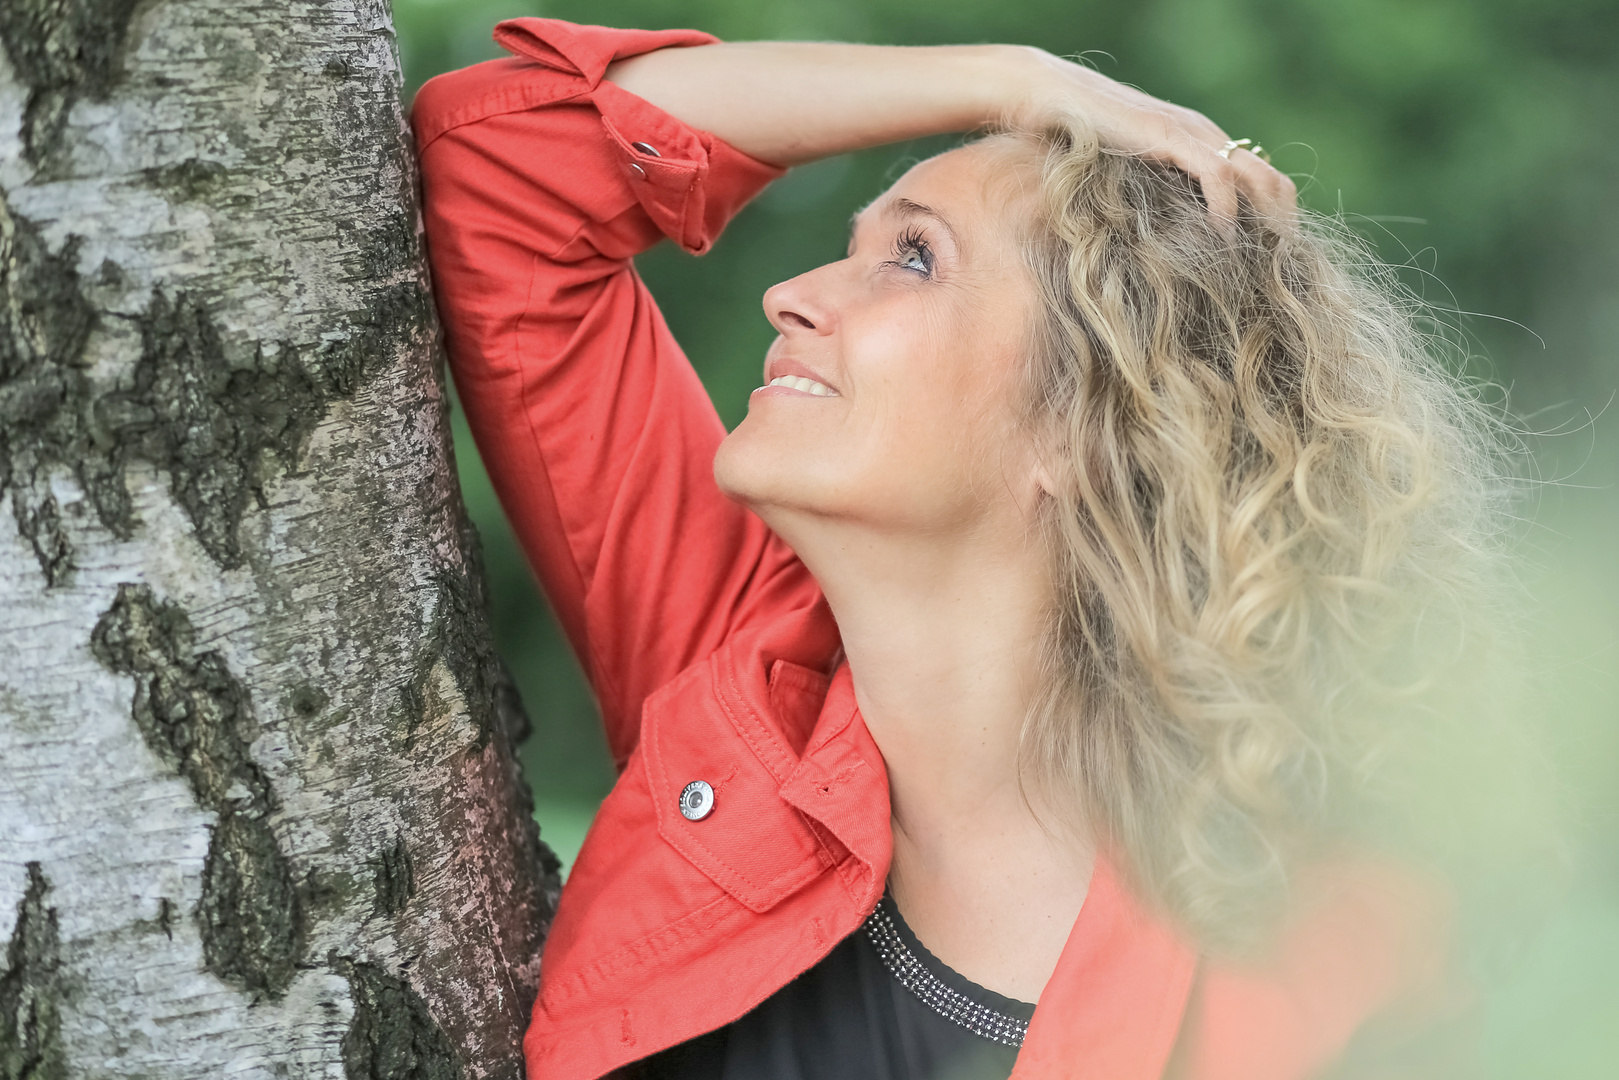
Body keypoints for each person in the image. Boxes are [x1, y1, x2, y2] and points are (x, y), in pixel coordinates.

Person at [413, 18, 1498, 1079]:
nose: (791, 297)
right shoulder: (738, 672)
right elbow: (501, 164)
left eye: (913, 258)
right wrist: (1012, 79)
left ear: (1081, 425)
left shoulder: (1327, 968)